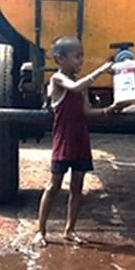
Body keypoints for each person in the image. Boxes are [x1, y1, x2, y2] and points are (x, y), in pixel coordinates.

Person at [34, 36, 121, 248]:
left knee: (77, 188)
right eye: (77, 56)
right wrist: (100, 71)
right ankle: (40, 231)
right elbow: (74, 88)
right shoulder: (58, 80)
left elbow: (86, 111)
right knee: (53, 186)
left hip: (81, 140)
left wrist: (109, 110)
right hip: (63, 141)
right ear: (60, 59)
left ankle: (70, 230)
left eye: (82, 56)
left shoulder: (82, 86)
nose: (81, 61)